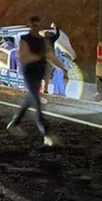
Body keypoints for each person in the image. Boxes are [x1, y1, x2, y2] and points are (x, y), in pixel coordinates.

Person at [6, 16, 67, 146]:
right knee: (37, 103)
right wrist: (40, 56)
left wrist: (61, 68)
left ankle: (14, 123)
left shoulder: (43, 41)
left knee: (30, 99)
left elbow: (50, 56)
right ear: (30, 26)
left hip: (39, 72)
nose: (36, 28)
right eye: (34, 25)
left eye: (38, 25)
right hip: (29, 73)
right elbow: (24, 57)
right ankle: (46, 134)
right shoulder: (24, 40)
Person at [42, 22, 61, 95]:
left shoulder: (42, 40)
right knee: (47, 75)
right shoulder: (51, 39)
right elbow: (58, 35)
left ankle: (40, 88)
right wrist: (56, 28)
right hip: (49, 60)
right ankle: (45, 89)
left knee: (42, 75)